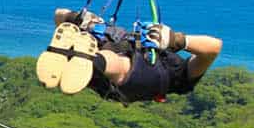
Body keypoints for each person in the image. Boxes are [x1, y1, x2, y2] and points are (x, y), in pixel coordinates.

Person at [43, 8, 222, 103]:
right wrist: (79, 18)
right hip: (96, 70)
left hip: (125, 81)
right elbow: (59, 14)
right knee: (112, 57)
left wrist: (176, 40)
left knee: (121, 65)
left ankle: (83, 58)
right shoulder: (113, 37)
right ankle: (76, 57)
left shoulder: (180, 77)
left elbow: (213, 48)